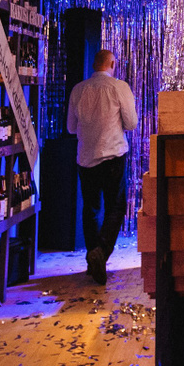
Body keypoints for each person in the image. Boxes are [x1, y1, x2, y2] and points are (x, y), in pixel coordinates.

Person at [67, 48, 138, 283]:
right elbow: (131, 123)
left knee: (90, 209)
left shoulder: (78, 90)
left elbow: (70, 128)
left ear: (94, 65)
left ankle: (93, 259)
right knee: (116, 207)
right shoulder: (119, 87)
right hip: (113, 154)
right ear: (113, 64)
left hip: (86, 157)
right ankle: (101, 252)